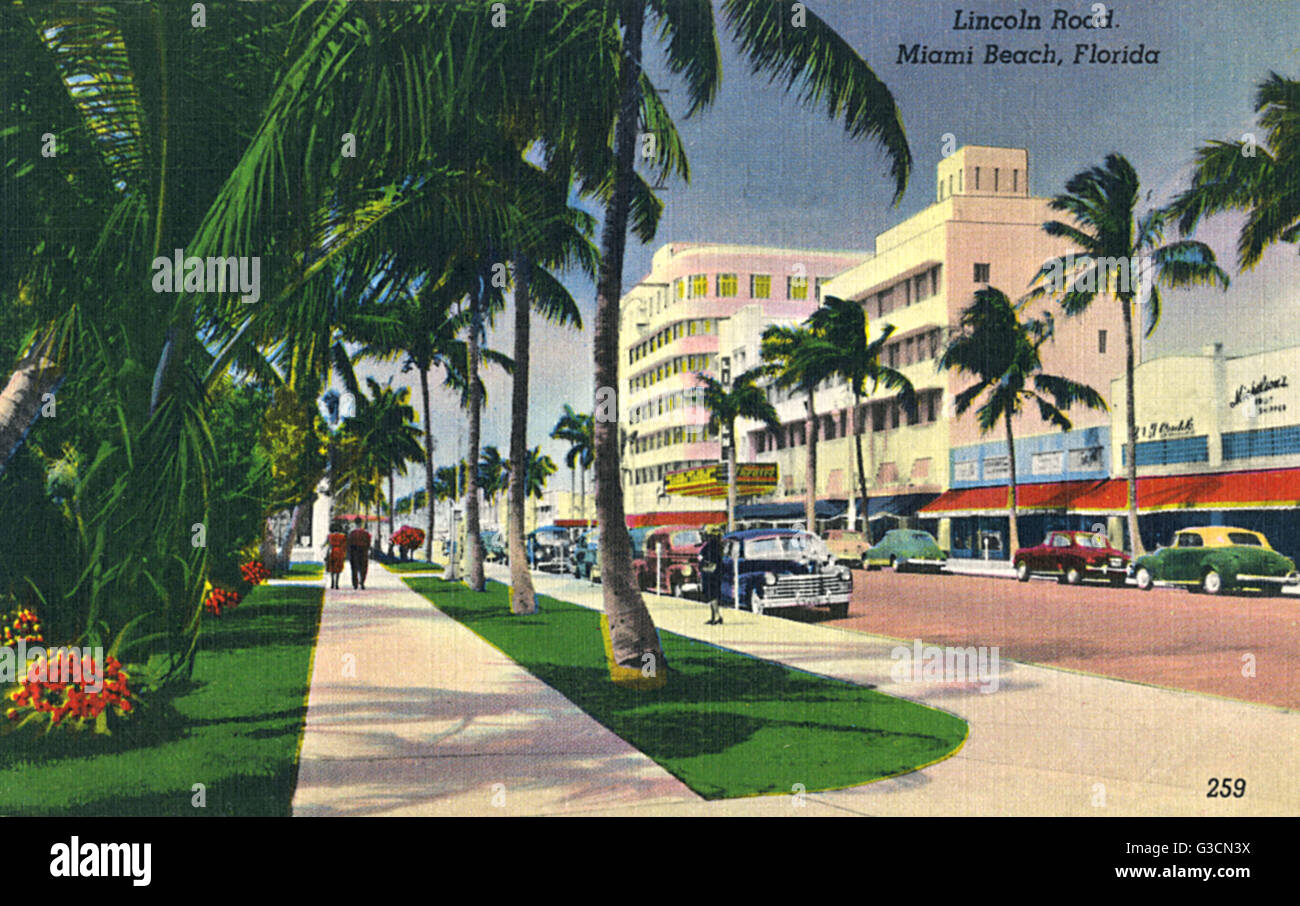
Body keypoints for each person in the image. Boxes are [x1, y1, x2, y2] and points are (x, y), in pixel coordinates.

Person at [699, 529, 724, 625]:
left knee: (711, 595)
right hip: (716, 572)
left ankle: (716, 616)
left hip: (709, 573)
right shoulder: (718, 546)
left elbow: (702, 556)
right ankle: (714, 616)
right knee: (714, 595)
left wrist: (703, 562)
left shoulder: (710, 546)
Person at [322, 521, 348, 589]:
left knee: (332, 568)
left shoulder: (330, 536)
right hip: (339, 552)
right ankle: (337, 583)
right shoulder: (343, 536)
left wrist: (322, 546)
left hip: (332, 552)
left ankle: (332, 582)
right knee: (338, 569)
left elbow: (325, 543)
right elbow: (345, 545)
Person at [348, 517, 371, 590]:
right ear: (361, 523)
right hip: (363, 551)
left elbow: (349, 543)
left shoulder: (352, 533)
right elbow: (368, 543)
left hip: (354, 551)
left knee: (354, 568)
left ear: (355, 523)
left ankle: (355, 583)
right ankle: (362, 581)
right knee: (363, 567)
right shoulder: (366, 533)